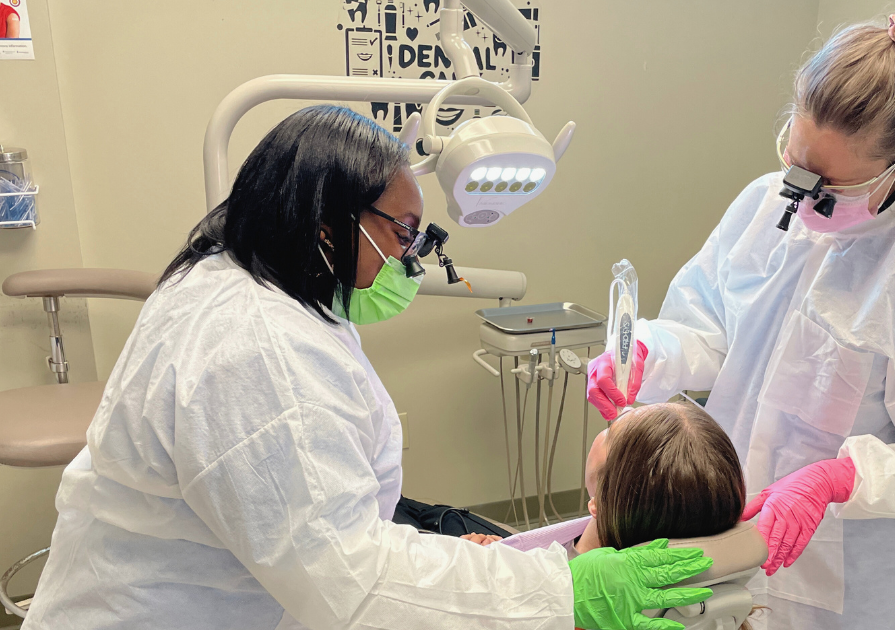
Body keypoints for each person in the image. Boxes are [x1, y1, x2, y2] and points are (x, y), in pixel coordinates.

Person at [23, 105, 714, 630]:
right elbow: (347, 582)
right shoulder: (256, 349)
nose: (413, 259)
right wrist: (561, 592)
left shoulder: (249, 283)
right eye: (403, 232)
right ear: (325, 223)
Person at [587, 4, 895, 629]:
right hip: (728, 536)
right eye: (795, 163)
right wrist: (648, 354)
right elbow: (710, 325)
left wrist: (842, 477)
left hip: (845, 582)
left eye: (827, 184)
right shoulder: (765, 204)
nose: (798, 195)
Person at [497, 402, 758, 630]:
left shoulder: (581, 599)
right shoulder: (709, 596)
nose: (627, 410)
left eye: (611, 431)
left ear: (599, 503)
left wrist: (494, 565)